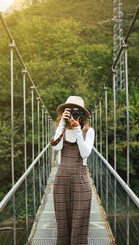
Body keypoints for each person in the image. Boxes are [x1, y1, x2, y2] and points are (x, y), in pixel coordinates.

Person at [49, 96, 95, 245]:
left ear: (82, 115)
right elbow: (56, 147)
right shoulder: (60, 130)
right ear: (64, 112)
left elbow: (85, 153)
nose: (74, 115)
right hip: (62, 180)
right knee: (63, 224)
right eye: (70, 111)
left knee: (79, 224)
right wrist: (62, 123)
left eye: (77, 112)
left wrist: (76, 129)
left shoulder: (88, 132)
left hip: (80, 181)